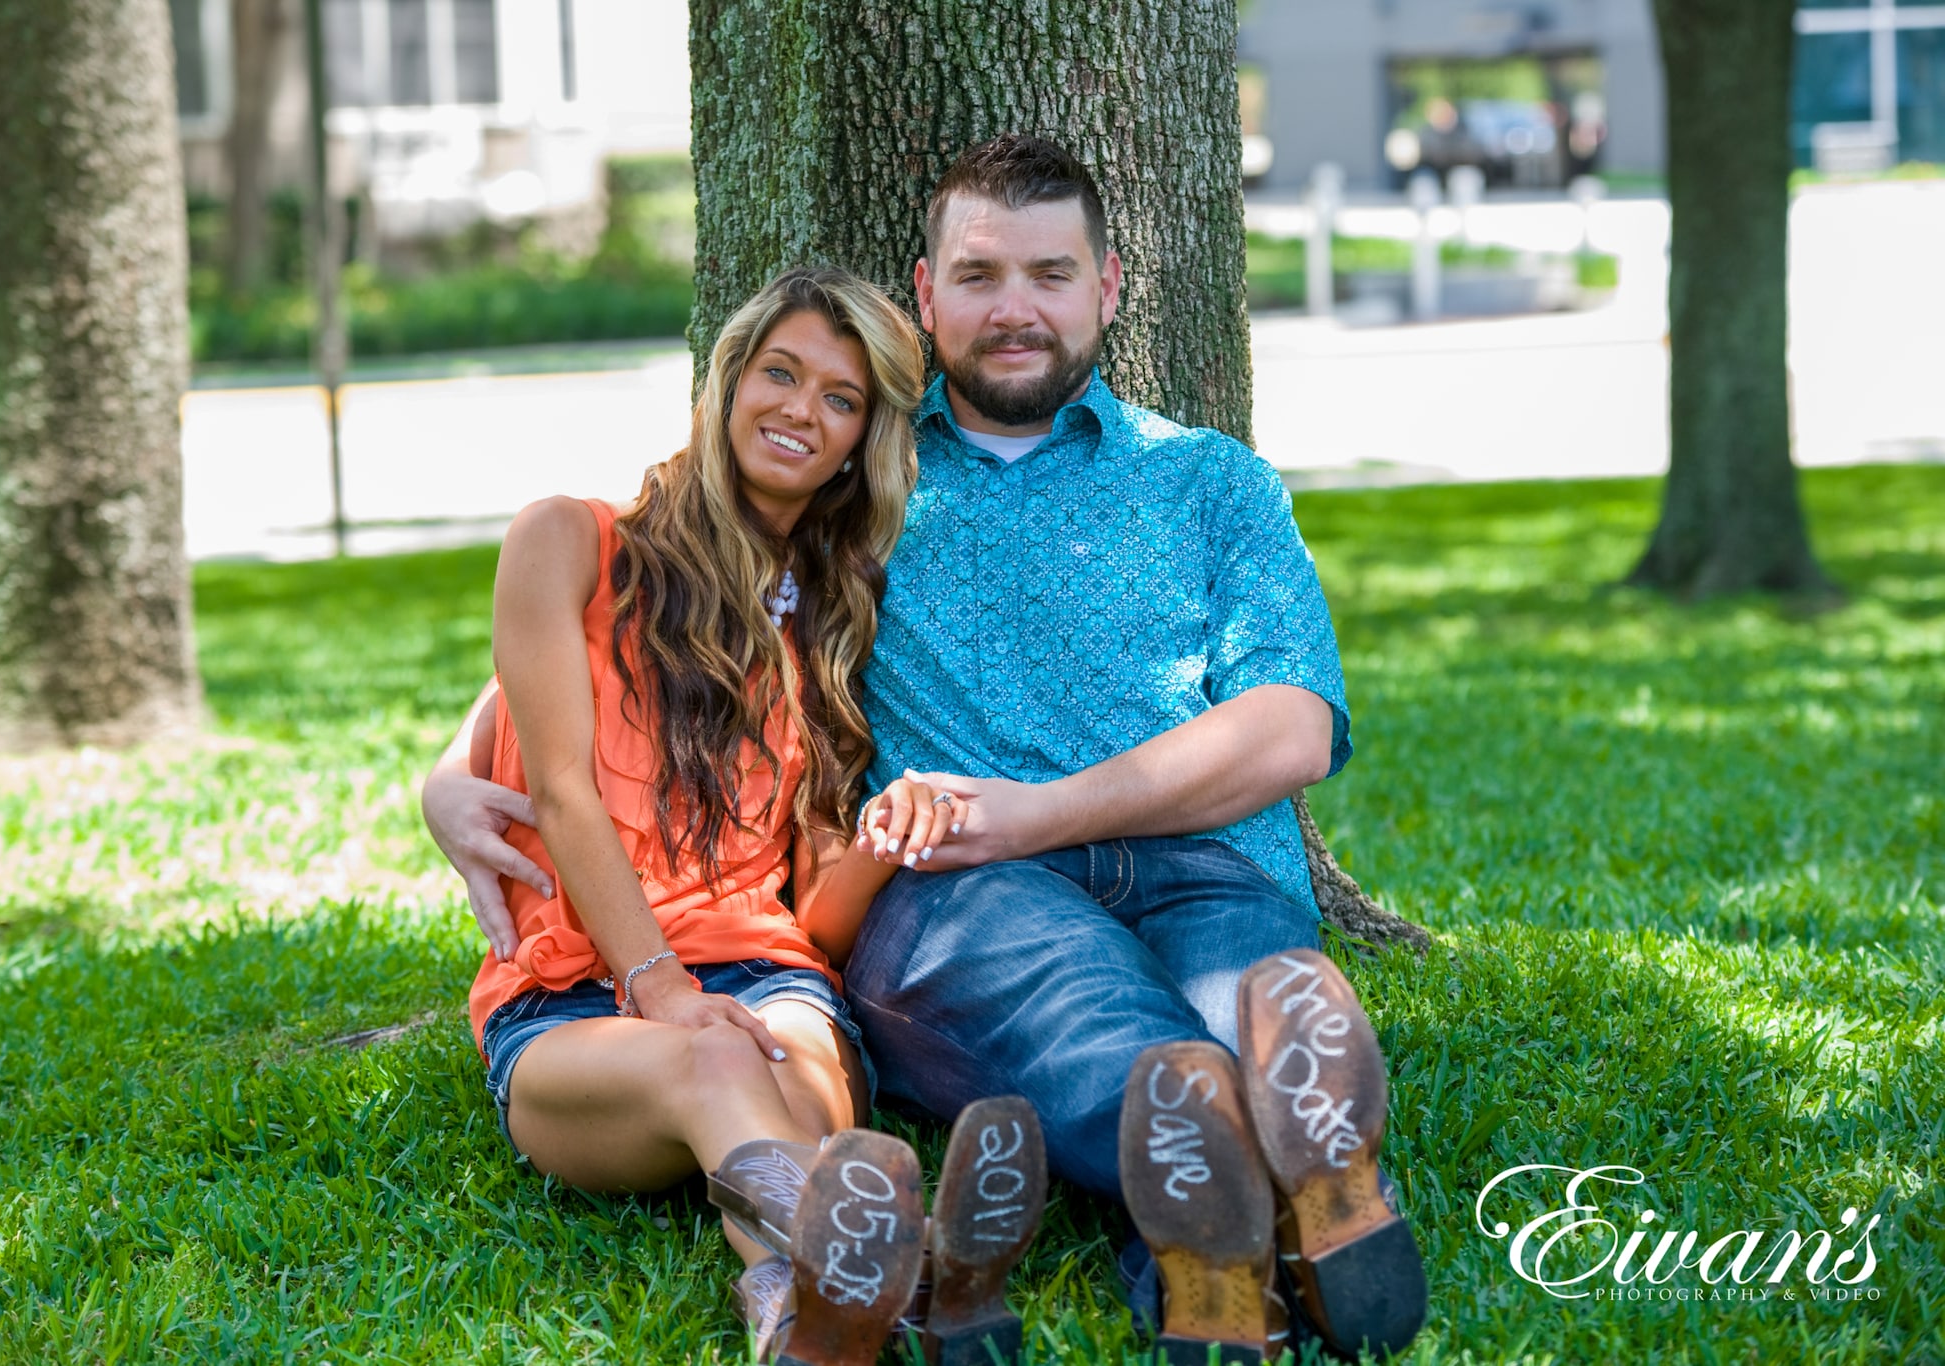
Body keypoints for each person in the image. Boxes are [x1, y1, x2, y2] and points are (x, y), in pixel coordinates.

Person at [427, 140, 1424, 1361]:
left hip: (1199, 865)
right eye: (980, 274)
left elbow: (1293, 729)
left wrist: (1027, 810)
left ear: (1107, 287)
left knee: (1239, 1008)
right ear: (926, 293)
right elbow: (628, 627)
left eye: (1050, 273)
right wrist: (448, 771)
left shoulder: (1209, 482)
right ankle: (1241, 1196)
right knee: (1120, 1037)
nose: (1014, 307)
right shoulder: (864, 484)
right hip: (973, 891)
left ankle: (1230, 1229)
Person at [445, 265, 1045, 1366]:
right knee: (719, 1069)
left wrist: (884, 834)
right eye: (780, 372)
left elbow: (810, 921)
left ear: (862, 437)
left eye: (840, 397)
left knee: (781, 1065)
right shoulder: (568, 544)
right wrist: (661, 987)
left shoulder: (825, 627)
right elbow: (562, 787)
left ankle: (792, 1306)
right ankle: (921, 1270)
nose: (800, 410)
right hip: (573, 998)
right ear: (725, 383)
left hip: (770, 981)